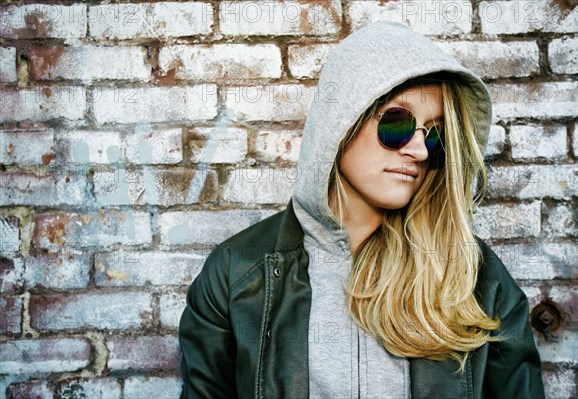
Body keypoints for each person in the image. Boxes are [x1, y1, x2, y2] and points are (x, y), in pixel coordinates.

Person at [178, 21, 545, 398]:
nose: (418, 151)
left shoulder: (473, 275)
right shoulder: (238, 274)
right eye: (398, 123)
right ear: (341, 123)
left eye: (434, 135)